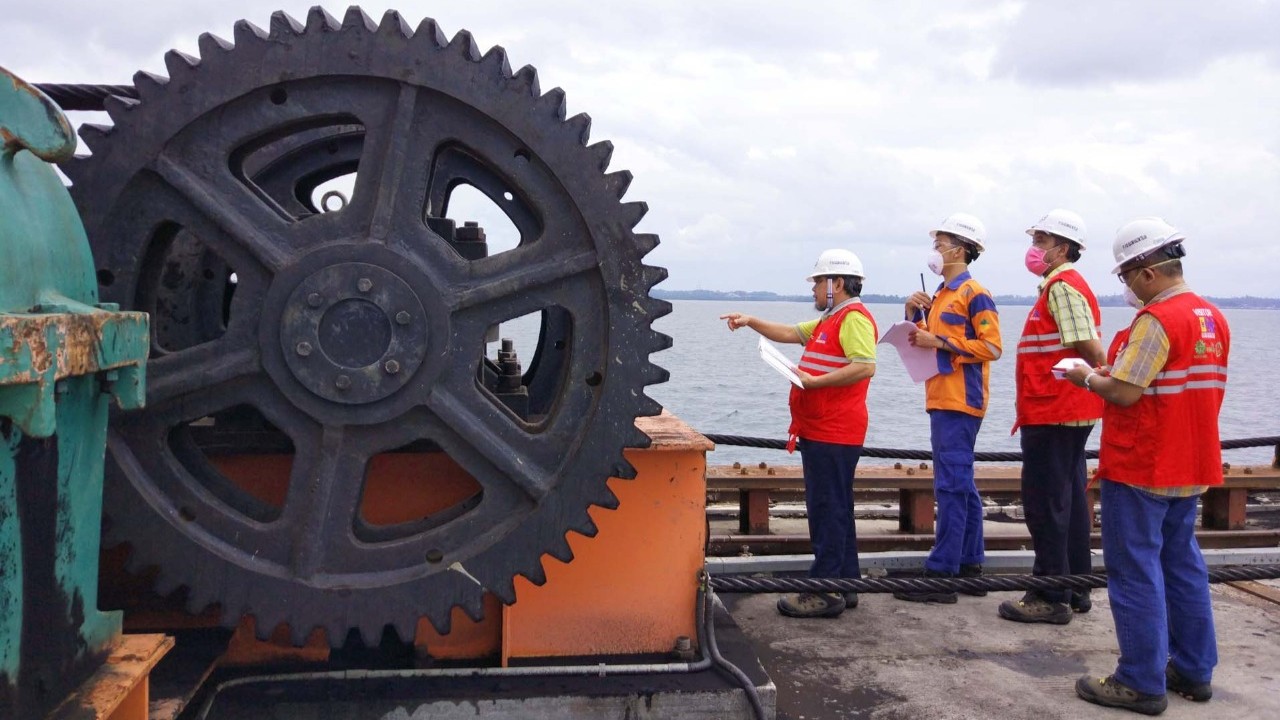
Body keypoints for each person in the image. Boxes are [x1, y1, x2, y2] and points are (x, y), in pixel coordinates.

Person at [1065, 218, 1229, 716]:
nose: (1127, 287)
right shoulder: (1211, 317)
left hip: (1144, 464)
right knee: (1182, 567)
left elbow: (1125, 392)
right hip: (1192, 462)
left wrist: (1086, 377)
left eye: (1126, 276)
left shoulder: (1157, 320)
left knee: (1135, 572)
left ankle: (1139, 680)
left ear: (1147, 272)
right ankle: (1194, 669)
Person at [721, 249, 877, 618]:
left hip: (834, 430)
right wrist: (751, 321)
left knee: (826, 509)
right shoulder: (830, 319)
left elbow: (865, 365)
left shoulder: (853, 319)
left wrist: (815, 381)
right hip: (825, 428)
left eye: (818, 281)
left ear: (837, 284)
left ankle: (824, 590)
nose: (814, 289)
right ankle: (846, 583)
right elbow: (791, 333)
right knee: (838, 506)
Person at [1000, 209, 1105, 625]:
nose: (1034, 249)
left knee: (1045, 502)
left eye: (1041, 241)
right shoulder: (1063, 286)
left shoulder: (1061, 286)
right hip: (1067, 408)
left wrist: (1105, 373)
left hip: (1055, 408)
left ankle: (1050, 593)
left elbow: (1086, 343)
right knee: (1070, 500)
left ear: (1062, 249)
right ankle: (1076, 585)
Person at [893, 213, 1001, 604]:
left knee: (951, 485)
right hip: (943, 397)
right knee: (961, 484)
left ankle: (942, 573)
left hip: (960, 400)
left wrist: (938, 342)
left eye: (940, 244)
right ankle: (970, 564)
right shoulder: (940, 295)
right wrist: (911, 313)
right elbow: (923, 337)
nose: (935, 250)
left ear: (960, 249)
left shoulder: (975, 293)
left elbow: (992, 347)